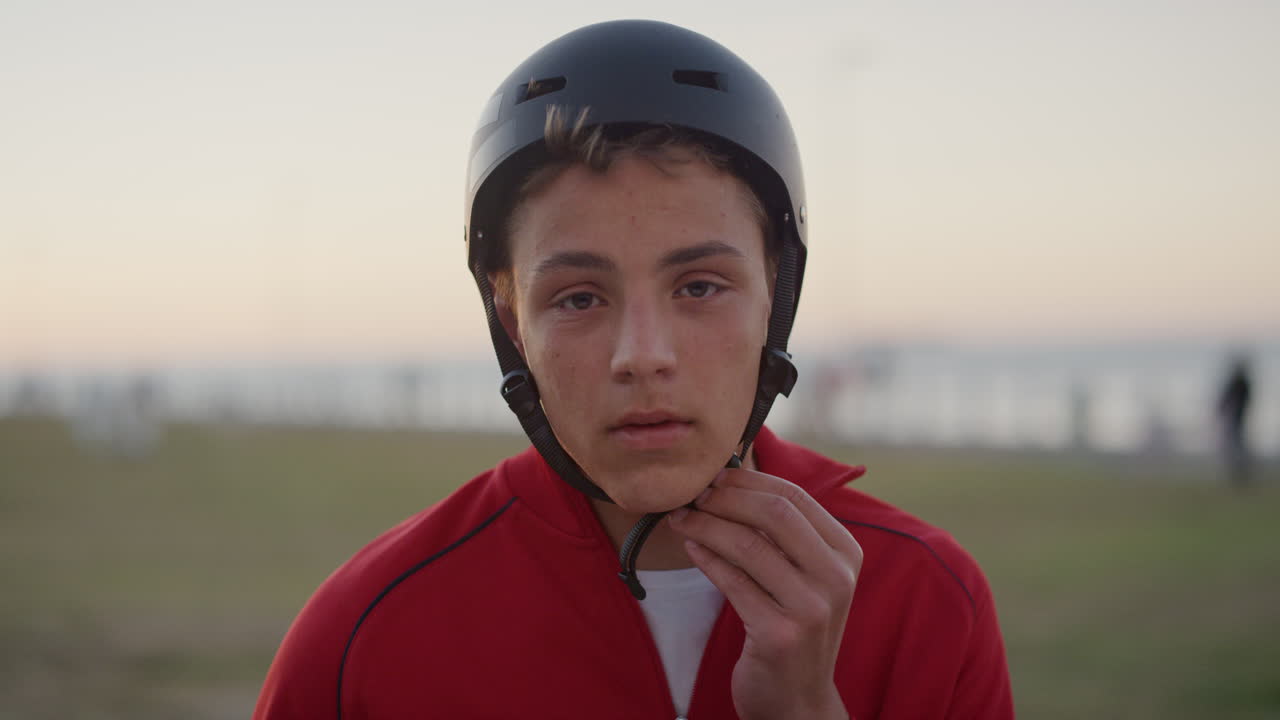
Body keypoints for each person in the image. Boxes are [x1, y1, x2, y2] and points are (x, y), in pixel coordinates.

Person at [254, 20, 1013, 719]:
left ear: (775, 297)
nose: (642, 356)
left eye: (700, 287)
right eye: (579, 298)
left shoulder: (928, 602)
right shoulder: (365, 635)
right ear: (513, 325)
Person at [1217, 353, 1253, 488]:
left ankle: (1239, 476)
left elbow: (1225, 401)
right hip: (1236, 421)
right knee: (1236, 449)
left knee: (1235, 449)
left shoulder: (1239, 384)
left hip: (1235, 421)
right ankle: (1239, 476)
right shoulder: (1242, 384)